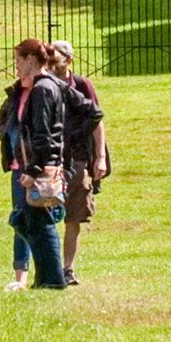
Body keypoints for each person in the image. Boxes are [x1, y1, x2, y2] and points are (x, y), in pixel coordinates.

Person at [0, 37, 68, 292]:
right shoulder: (45, 87)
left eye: (18, 60)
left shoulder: (43, 88)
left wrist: (33, 170)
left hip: (39, 168)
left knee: (41, 222)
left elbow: (42, 134)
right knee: (31, 220)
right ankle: (45, 278)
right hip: (39, 165)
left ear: (30, 60)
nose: (15, 66)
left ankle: (53, 279)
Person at [46, 40, 112, 288]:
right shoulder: (45, 84)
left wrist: (101, 157)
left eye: (56, 57)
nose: (52, 61)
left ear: (69, 60)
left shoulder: (82, 85)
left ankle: (67, 268)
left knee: (74, 216)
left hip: (78, 157)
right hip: (52, 158)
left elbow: (97, 119)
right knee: (46, 213)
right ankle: (50, 267)